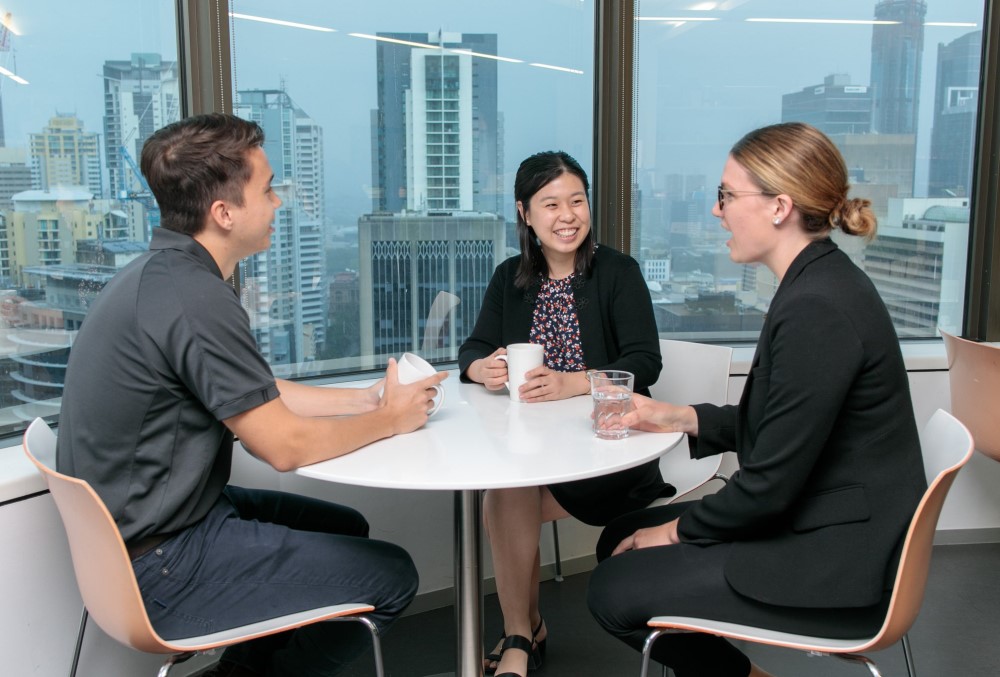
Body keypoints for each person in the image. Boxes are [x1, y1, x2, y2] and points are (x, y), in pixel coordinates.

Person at [57, 113, 447, 677]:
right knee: (392, 576)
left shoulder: (161, 275)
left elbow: (252, 389)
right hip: (165, 560)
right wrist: (391, 420)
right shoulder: (194, 297)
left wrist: (364, 401)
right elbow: (283, 447)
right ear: (223, 213)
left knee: (346, 528)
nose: (278, 204)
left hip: (141, 538)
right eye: (267, 191)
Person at [586, 122, 928, 677]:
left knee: (610, 591)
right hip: (825, 516)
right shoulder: (818, 283)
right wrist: (678, 416)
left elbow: (769, 483)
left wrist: (671, 532)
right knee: (619, 538)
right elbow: (781, 423)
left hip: (835, 556)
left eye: (726, 195)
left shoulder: (818, 308)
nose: (716, 211)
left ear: (779, 207)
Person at [458, 150, 671, 677]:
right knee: (507, 486)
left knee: (507, 493)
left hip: (604, 452)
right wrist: (480, 369)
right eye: (550, 203)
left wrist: (572, 383)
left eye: (577, 200)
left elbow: (646, 361)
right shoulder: (510, 277)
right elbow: (472, 349)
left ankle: (522, 634)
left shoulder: (618, 272)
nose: (567, 214)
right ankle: (521, 631)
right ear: (525, 214)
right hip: (531, 448)